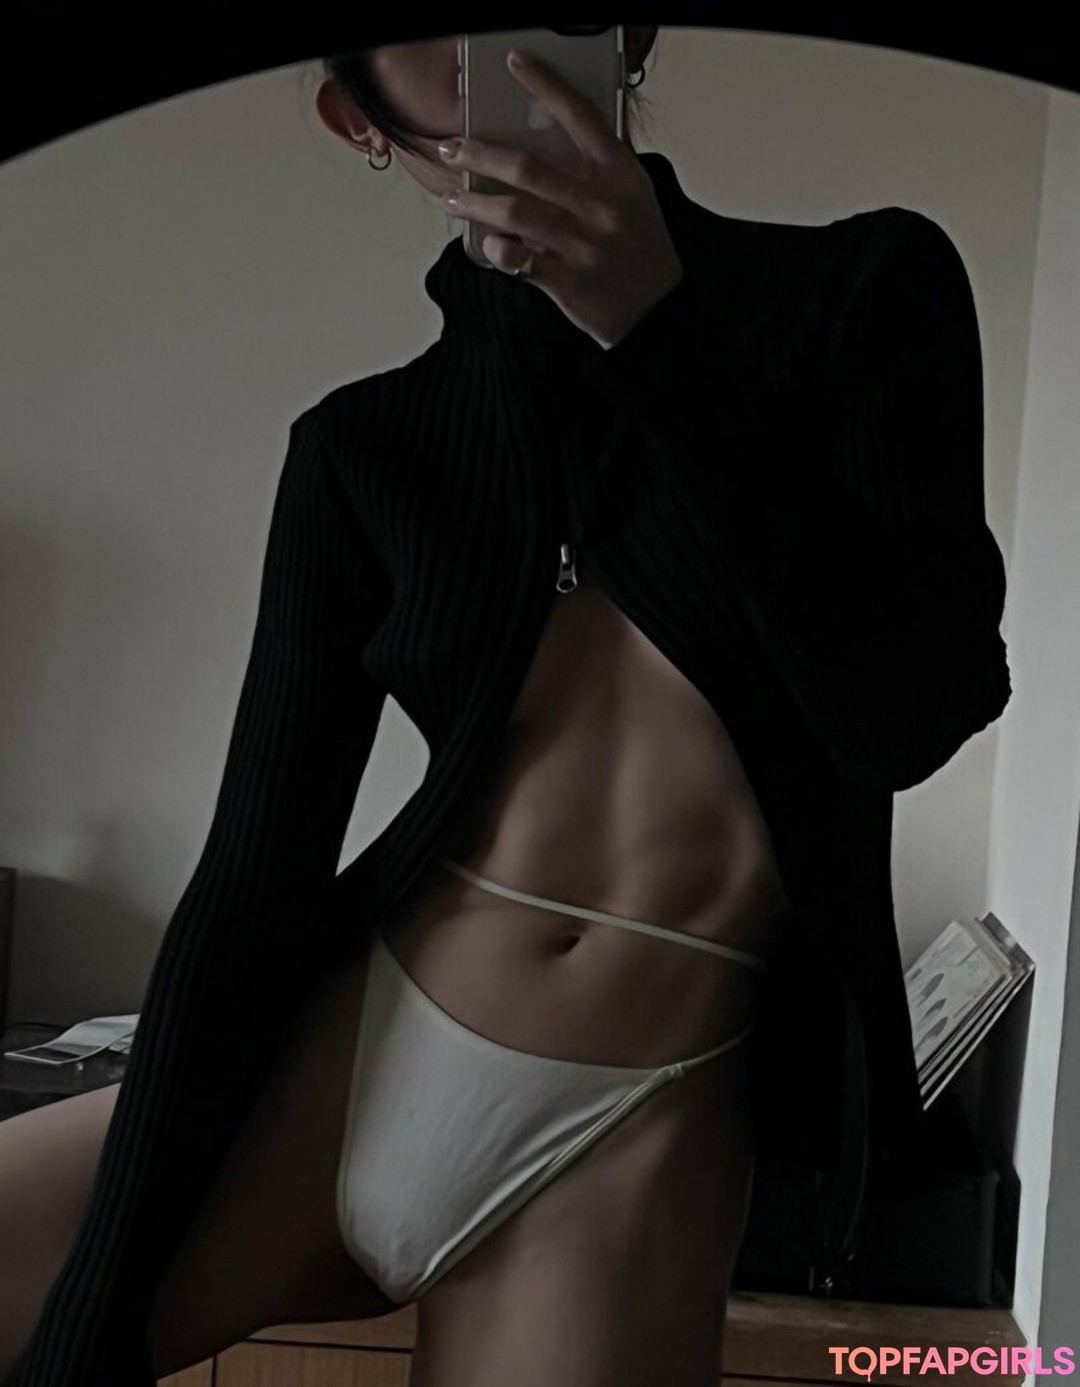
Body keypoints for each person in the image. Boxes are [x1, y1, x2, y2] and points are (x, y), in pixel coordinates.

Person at [1, 27, 1011, 1387]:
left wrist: (660, 334)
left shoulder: (868, 295)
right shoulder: (365, 450)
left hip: (632, 1124)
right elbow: (248, 893)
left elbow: (912, 711)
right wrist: (91, 1323)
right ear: (357, 116)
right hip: (353, 1050)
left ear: (630, 30)